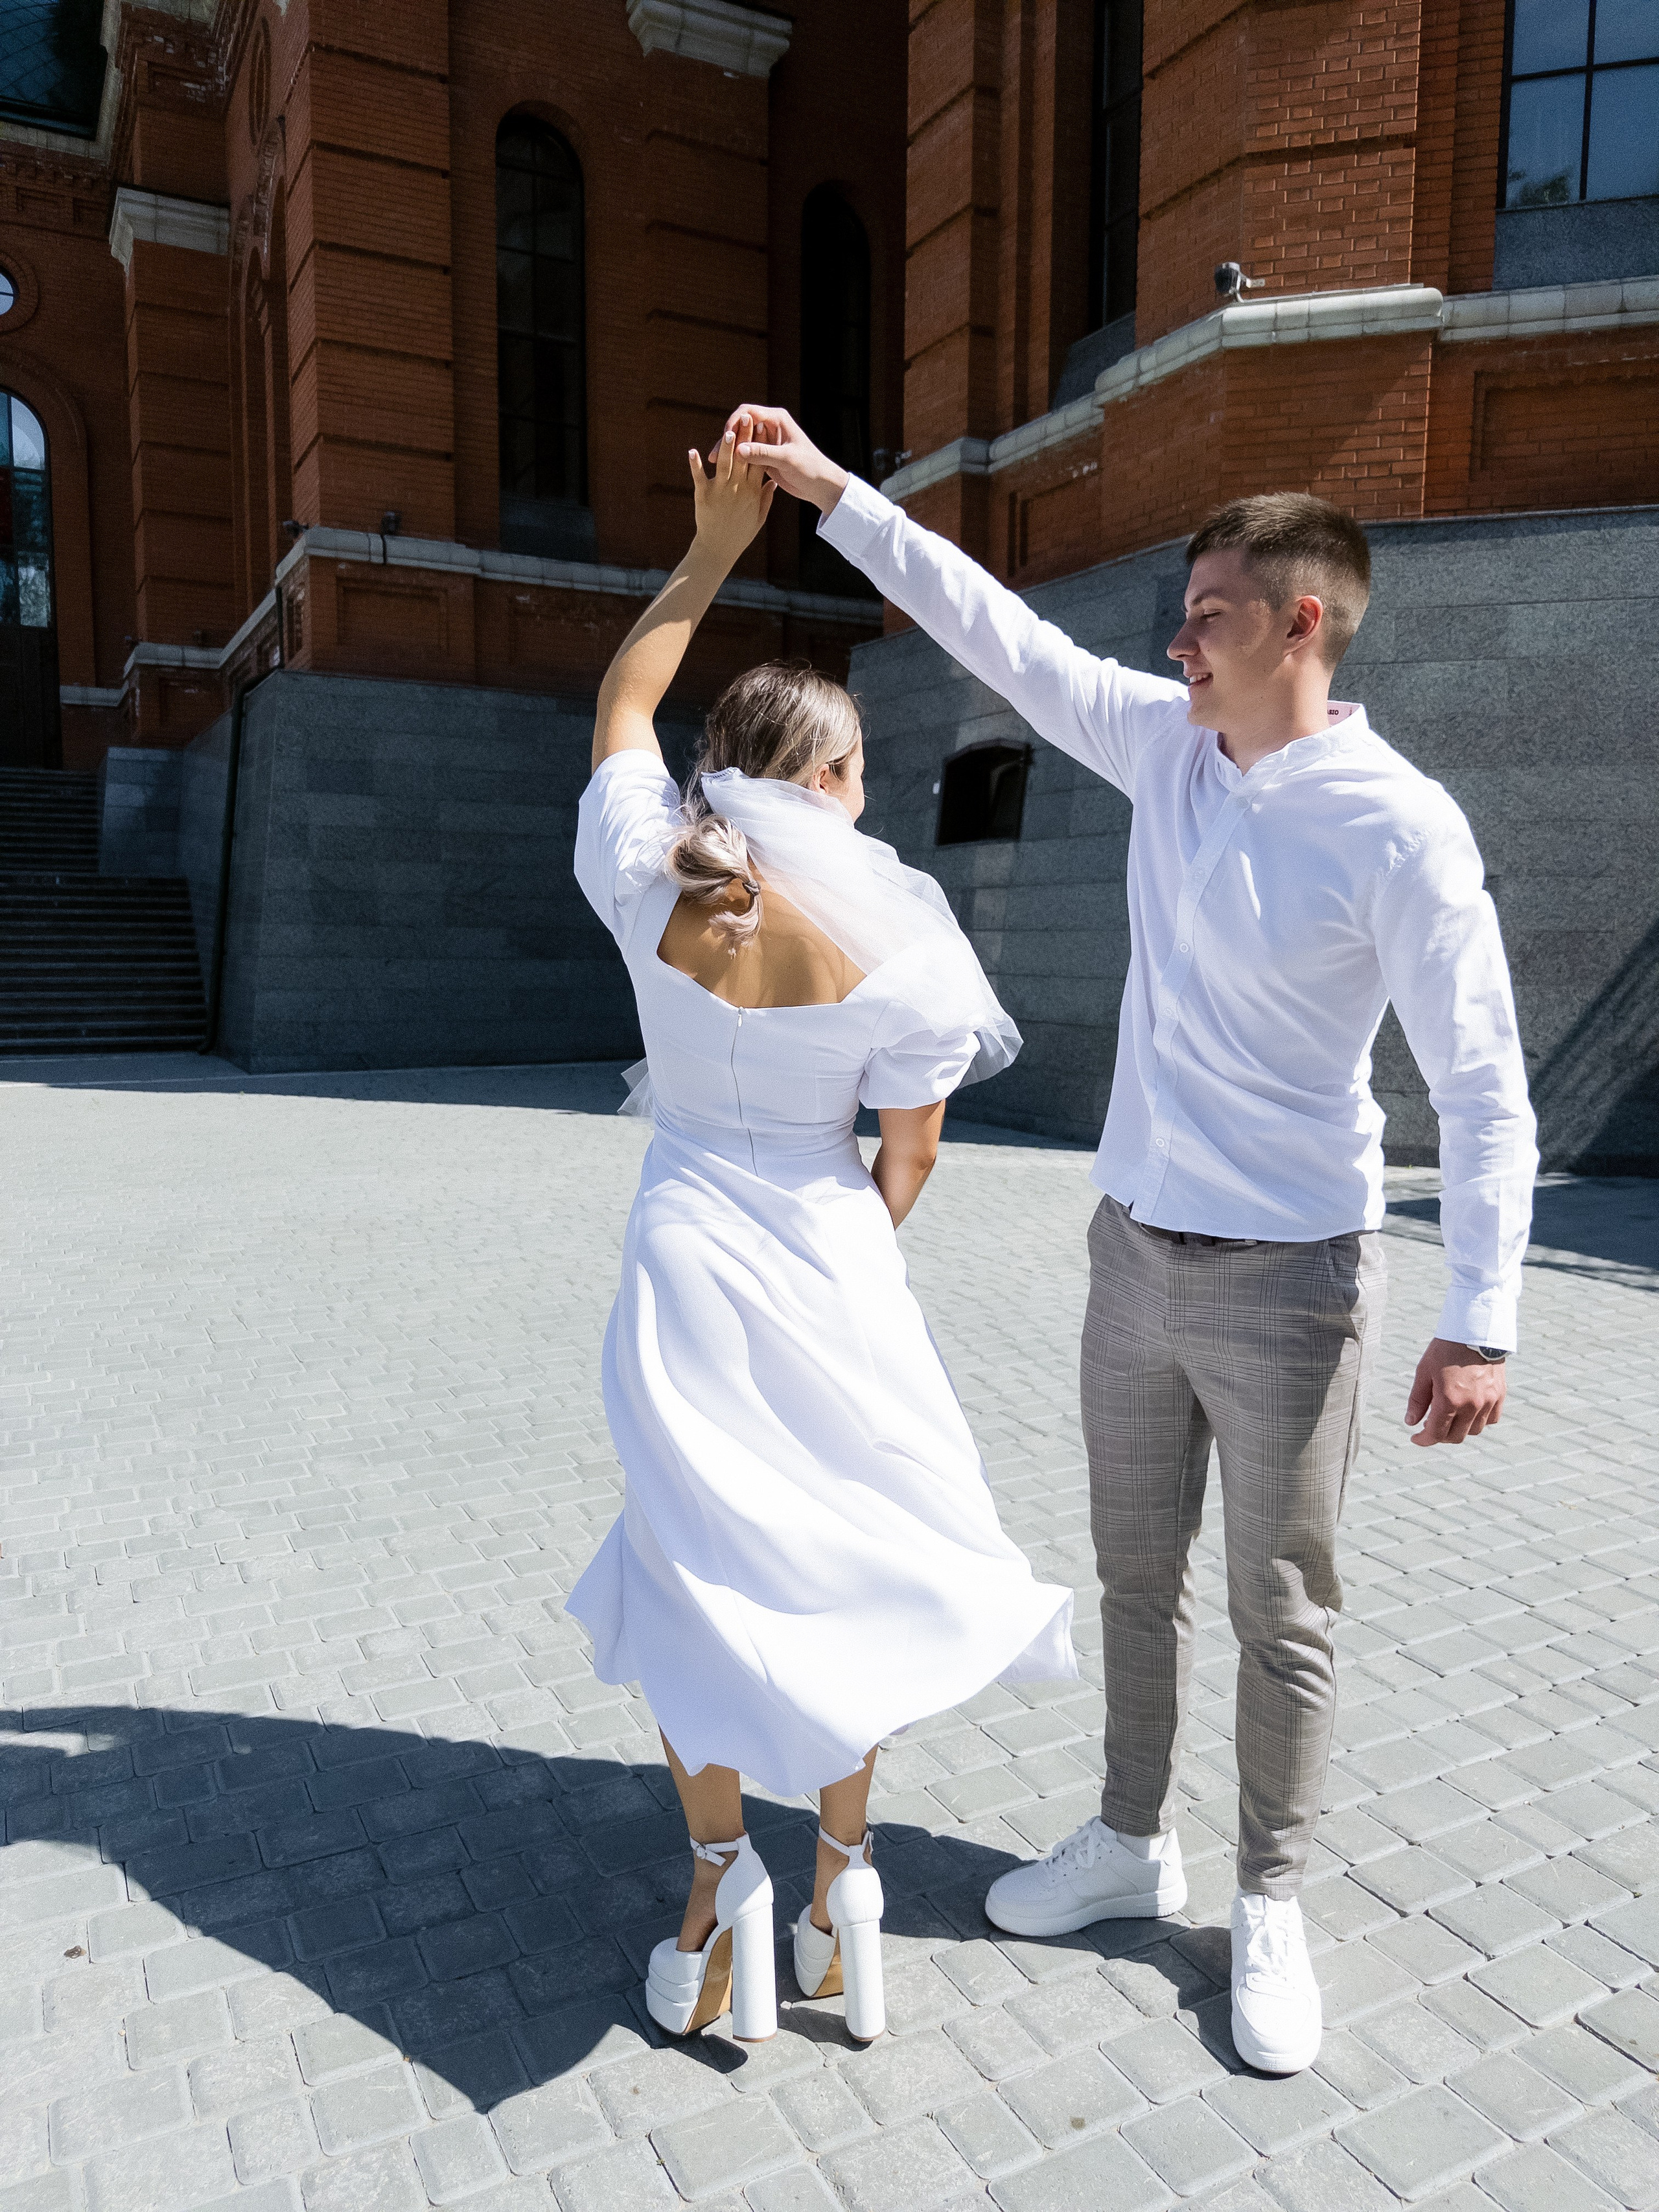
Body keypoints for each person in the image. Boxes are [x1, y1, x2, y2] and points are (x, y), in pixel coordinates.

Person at [719, 402, 1538, 2076]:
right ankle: (1124, 1835)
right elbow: (993, 623)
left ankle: (1274, 1900)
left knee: (1284, 1600)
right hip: (1131, 1257)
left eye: (1212, 613)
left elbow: (1483, 1083)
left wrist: (1486, 1312)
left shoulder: (1399, 824)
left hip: (1299, 1277)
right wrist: (826, 491)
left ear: (1303, 620)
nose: (1179, 640)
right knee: (1134, 1575)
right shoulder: (1166, 743)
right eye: (1181, 614)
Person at [569, 419, 1076, 2049]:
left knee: (691, 1572)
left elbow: (622, 705)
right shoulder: (905, 947)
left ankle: (716, 1888)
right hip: (827, 1258)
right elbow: (907, 1157)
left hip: (682, 1263)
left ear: (732, 768)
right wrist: (849, 1245)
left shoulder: (655, 865)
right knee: (846, 1574)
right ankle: (843, 1892)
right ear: (840, 783)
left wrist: (713, 552)